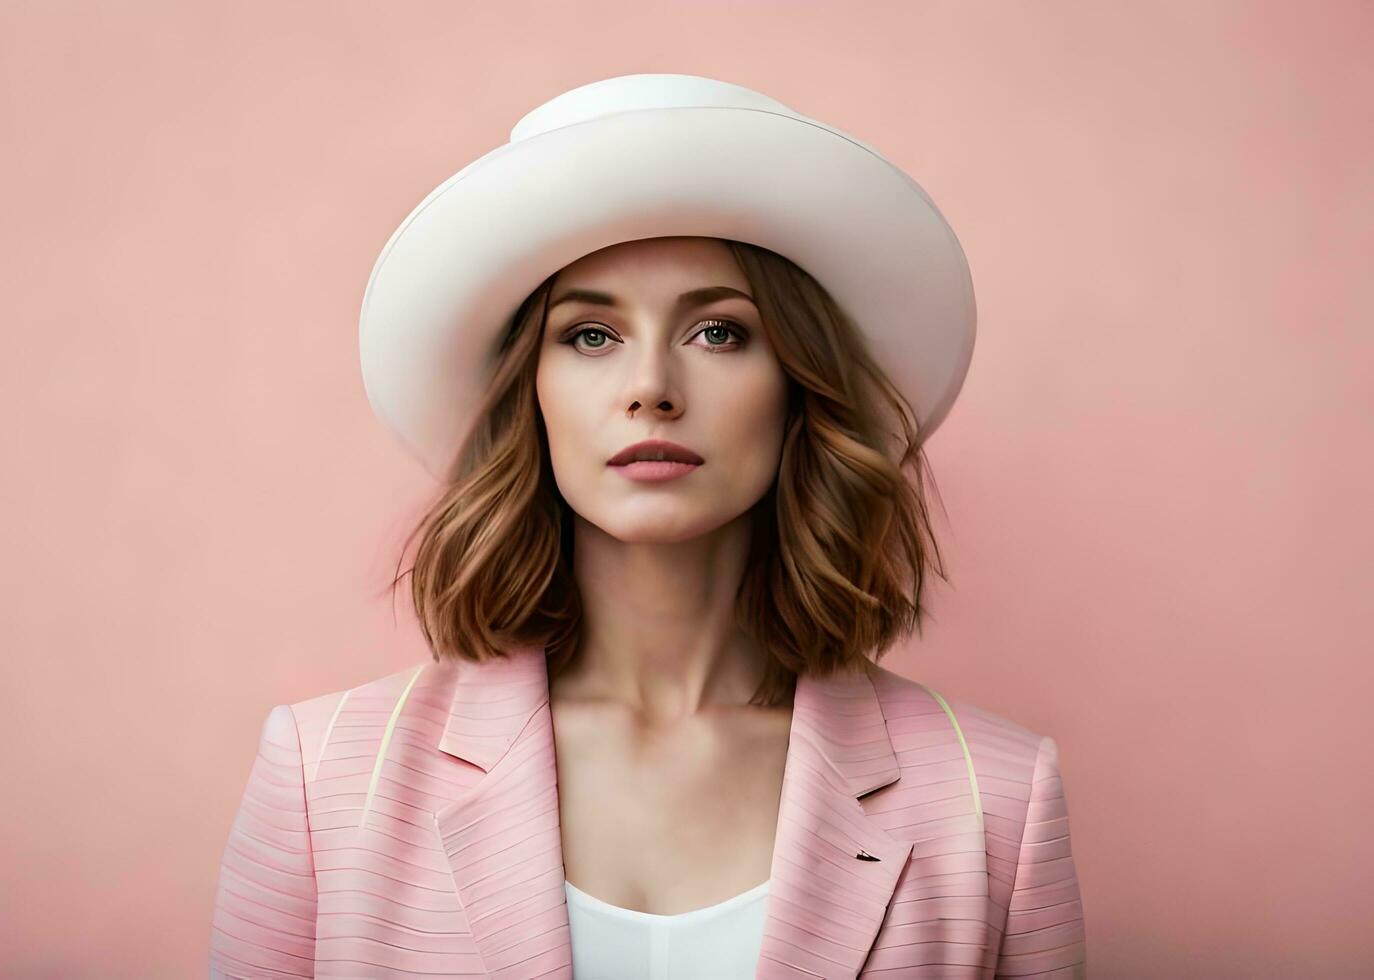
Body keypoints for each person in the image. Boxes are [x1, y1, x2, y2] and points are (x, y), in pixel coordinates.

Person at [209, 74, 1087, 979]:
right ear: (531, 396)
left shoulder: (996, 798)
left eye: (719, 333)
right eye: (590, 335)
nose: (651, 387)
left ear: (798, 391)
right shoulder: (323, 780)